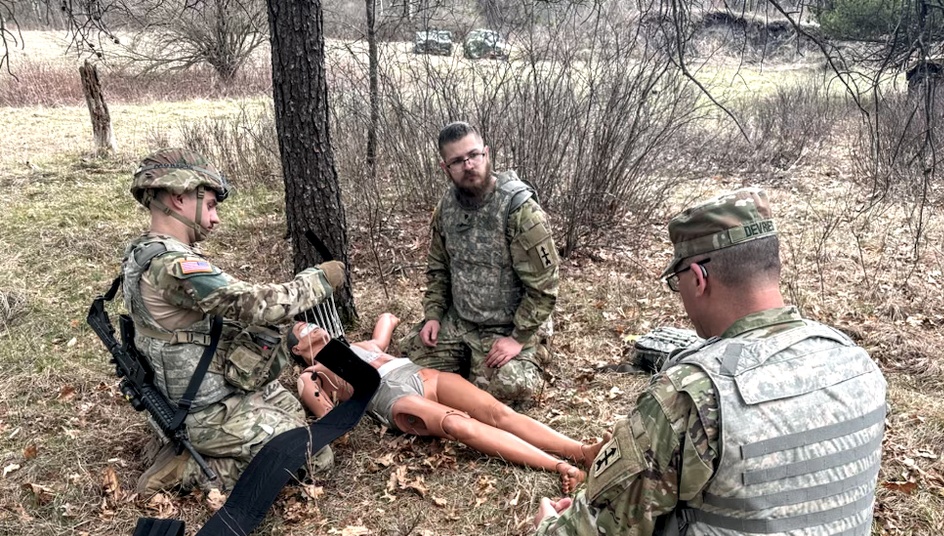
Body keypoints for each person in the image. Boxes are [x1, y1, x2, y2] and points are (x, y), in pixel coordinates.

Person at [532, 188, 886, 536]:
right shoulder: (853, 360)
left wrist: (547, 535)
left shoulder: (695, 391)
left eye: (678, 284)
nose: (681, 300)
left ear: (698, 277)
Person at [122, 148, 347, 493]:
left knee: (294, 415)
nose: (215, 219)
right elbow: (255, 305)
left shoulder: (144, 251)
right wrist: (317, 280)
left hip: (216, 391)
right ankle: (186, 470)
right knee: (314, 457)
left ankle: (191, 449)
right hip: (205, 412)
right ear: (179, 197)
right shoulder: (172, 266)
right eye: (210, 205)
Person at [289, 315, 604, 493]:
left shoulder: (360, 346)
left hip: (422, 375)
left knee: (497, 412)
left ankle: (581, 452)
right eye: (301, 331)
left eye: (309, 323)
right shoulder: (313, 374)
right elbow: (331, 420)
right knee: (458, 425)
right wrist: (320, 381)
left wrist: (390, 319)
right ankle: (560, 466)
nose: (310, 328)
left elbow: (385, 328)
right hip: (395, 399)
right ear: (298, 350)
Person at [400, 121, 558, 404]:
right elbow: (438, 270)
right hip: (462, 319)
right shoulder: (446, 208)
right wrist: (434, 315)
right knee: (410, 363)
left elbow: (544, 287)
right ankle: (468, 364)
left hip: (507, 325)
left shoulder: (519, 211)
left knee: (508, 387)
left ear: (486, 153)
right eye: (457, 161)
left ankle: (533, 352)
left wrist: (518, 338)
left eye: (474, 155)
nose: (469, 165)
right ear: (445, 167)